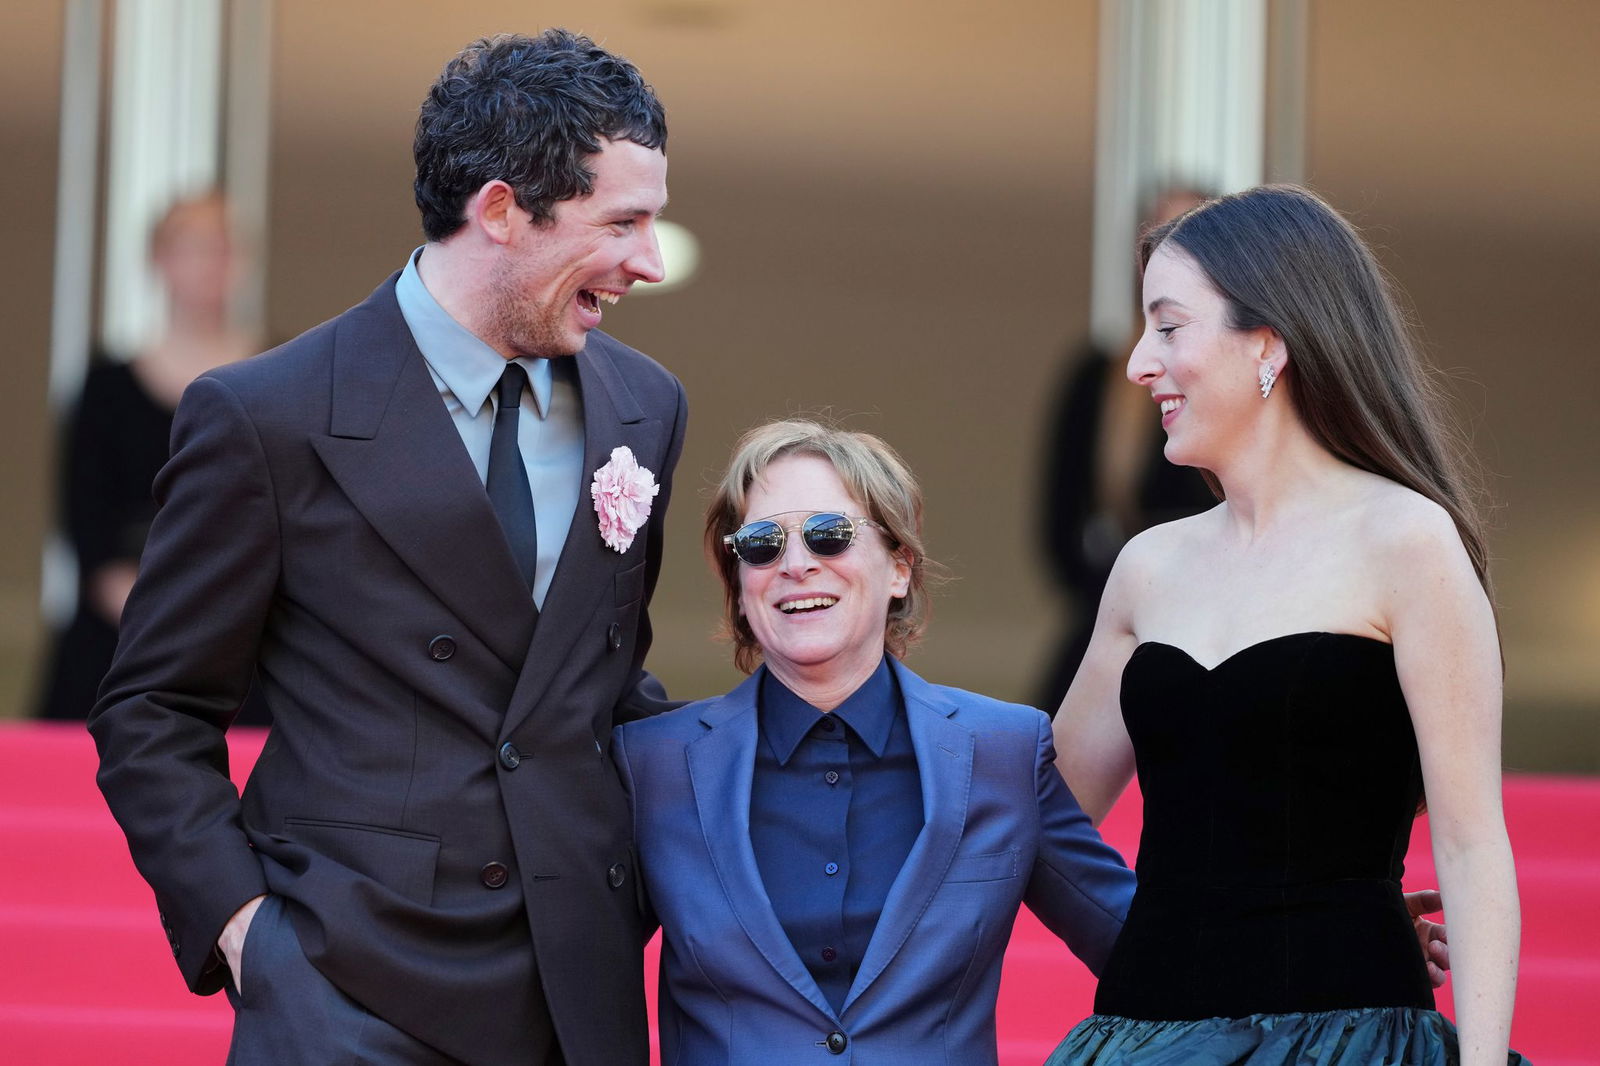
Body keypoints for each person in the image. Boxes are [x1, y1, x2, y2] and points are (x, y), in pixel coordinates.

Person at [89, 30, 683, 1066]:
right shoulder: (265, 415)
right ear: (500, 211)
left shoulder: (645, 405)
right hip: (343, 991)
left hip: (575, 987)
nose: (649, 260)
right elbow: (154, 707)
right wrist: (248, 934)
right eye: (622, 222)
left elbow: (604, 684)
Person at [1045, 186, 1524, 1065]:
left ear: (1267, 344)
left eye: (1169, 326)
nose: (1138, 363)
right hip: (1141, 1037)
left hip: (1349, 1036)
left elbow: (1469, 839)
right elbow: (1040, 815)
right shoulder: (1147, 566)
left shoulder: (1408, 541)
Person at [36, 192, 267, 724]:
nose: (209, 264)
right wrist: (168, 622)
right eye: (193, 247)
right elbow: (88, 531)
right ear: (158, 260)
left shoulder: (281, 374)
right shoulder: (106, 390)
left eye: (222, 248)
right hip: (120, 642)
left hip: (247, 647)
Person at [1033, 186, 1215, 712]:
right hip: (1128, 607)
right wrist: (1121, 585)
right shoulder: (1105, 378)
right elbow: (1059, 523)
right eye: (1160, 244)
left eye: (1197, 242)